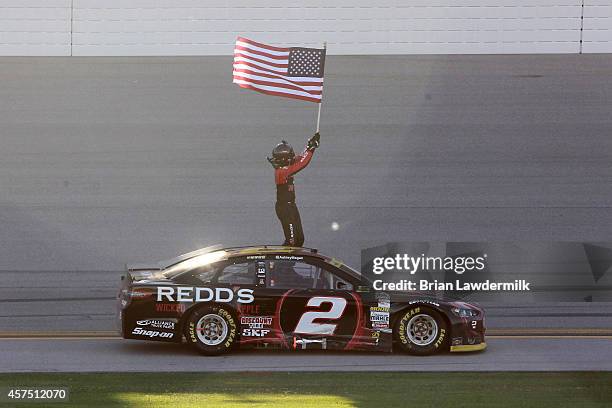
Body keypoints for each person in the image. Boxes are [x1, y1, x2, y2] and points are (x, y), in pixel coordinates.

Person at [267, 132, 320, 246]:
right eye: (290, 156)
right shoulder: (282, 172)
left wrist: (309, 146)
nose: (293, 157)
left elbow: (299, 159)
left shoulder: (284, 167)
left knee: (299, 239)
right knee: (291, 242)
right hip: (285, 209)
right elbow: (301, 163)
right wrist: (311, 149)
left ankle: (288, 260)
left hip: (291, 207)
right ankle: (281, 262)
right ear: (284, 159)